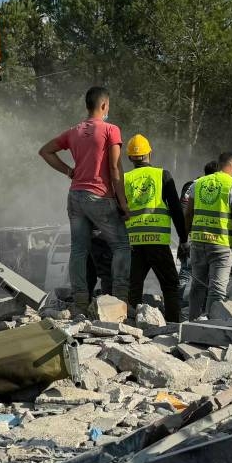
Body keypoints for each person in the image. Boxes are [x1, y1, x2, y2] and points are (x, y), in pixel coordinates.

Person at [39, 86, 132, 313]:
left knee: (79, 250)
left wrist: (68, 171)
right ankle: (120, 299)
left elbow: (45, 151)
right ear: (104, 105)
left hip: (75, 196)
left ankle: (80, 301)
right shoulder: (111, 130)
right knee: (121, 245)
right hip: (99, 196)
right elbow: (115, 168)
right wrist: (123, 203)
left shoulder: (74, 131)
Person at [123, 134, 187, 322]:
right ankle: (173, 324)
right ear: (149, 153)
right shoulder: (162, 175)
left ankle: (131, 324)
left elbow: (119, 212)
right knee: (170, 285)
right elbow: (176, 209)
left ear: (130, 157)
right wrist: (183, 239)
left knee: (134, 287)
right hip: (157, 241)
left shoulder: (124, 179)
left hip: (135, 243)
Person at [186, 152, 232, 319]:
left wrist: (184, 239)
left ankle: (193, 321)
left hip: (198, 242)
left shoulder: (198, 183)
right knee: (217, 290)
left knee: (197, 286)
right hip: (221, 244)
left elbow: (189, 214)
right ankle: (211, 324)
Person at [178, 160, 218, 304]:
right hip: (206, 237)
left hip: (188, 235)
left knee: (185, 271)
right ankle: (202, 305)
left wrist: (183, 239)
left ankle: (178, 303)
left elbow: (182, 211)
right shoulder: (213, 187)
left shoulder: (190, 185)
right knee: (206, 273)